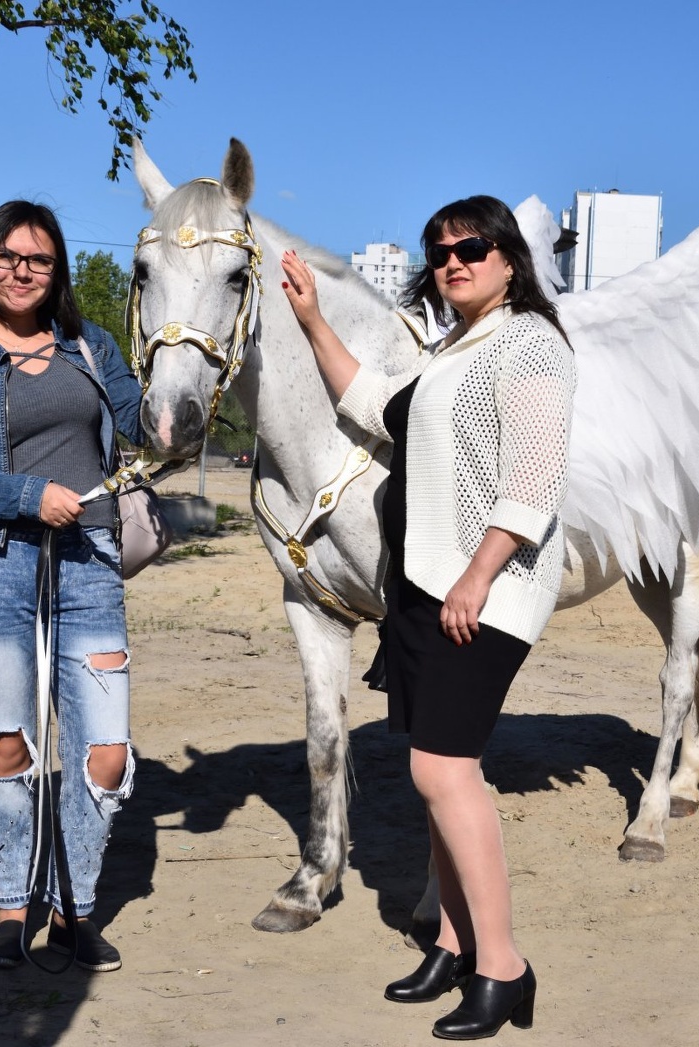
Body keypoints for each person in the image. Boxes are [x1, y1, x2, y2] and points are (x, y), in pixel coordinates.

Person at [280, 195, 576, 1039]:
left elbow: (535, 478)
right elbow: (373, 404)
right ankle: (451, 941)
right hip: (422, 589)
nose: (453, 262)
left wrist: (478, 575)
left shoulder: (530, 344)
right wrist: (309, 320)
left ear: (509, 258)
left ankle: (504, 965)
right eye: (439, 251)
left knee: (448, 773)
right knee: (430, 770)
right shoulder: (453, 348)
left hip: (480, 591)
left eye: (471, 247)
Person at [0, 201, 145, 972]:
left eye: (37, 260)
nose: (21, 271)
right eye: (8, 257)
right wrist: (24, 494)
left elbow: (148, 426)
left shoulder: (92, 346)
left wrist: (185, 362)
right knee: (7, 745)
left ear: (56, 271)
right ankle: (16, 907)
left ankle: (75, 909)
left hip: (89, 562)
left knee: (105, 752)